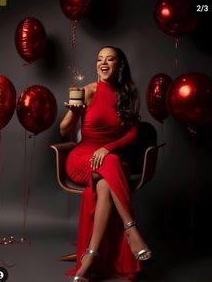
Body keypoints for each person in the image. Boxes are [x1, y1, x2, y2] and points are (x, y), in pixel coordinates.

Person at [60, 46, 153, 281]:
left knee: (106, 181)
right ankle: (131, 229)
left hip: (108, 158)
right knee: (113, 165)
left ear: (120, 65)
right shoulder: (87, 91)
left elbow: (133, 134)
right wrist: (73, 113)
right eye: (100, 59)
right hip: (82, 159)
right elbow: (64, 131)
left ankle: (90, 256)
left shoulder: (128, 94)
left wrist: (107, 147)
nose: (104, 63)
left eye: (110, 59)